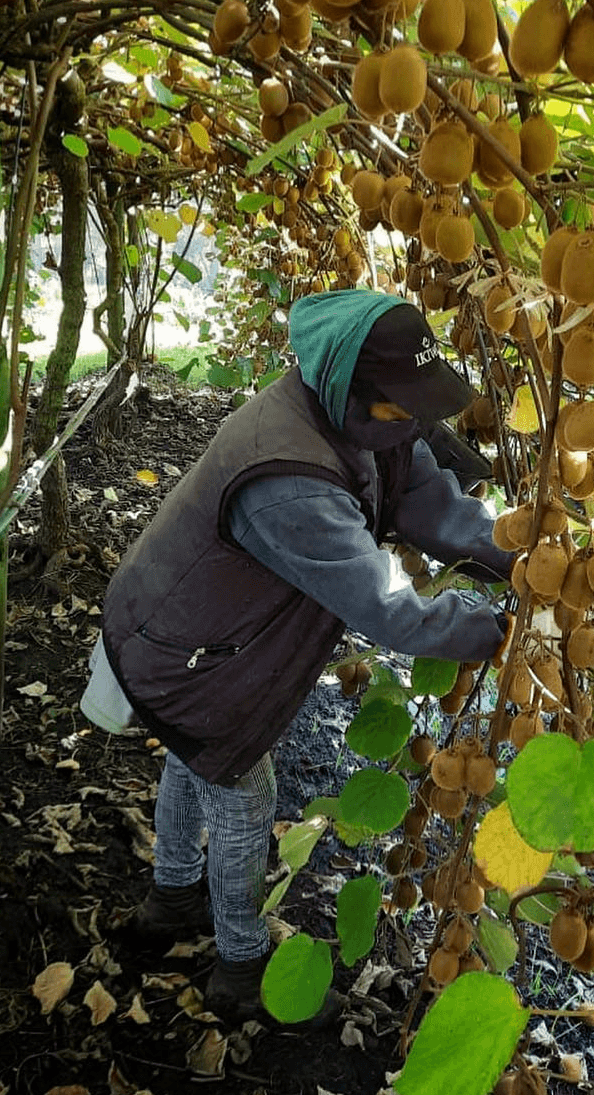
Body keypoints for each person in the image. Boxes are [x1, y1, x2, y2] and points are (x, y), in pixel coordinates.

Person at [81, 288, 513, 1018]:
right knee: (240, 784)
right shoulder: (288, 478)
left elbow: (428, 502)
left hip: (195, 630)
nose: (415, 422)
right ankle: (240, 968)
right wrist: (495, 629)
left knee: (193, 757)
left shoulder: (361, 421)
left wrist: (516, 559)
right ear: (354, 392)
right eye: (402, 407)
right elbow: (386, 605)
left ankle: (171, 899)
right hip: (183, 648)